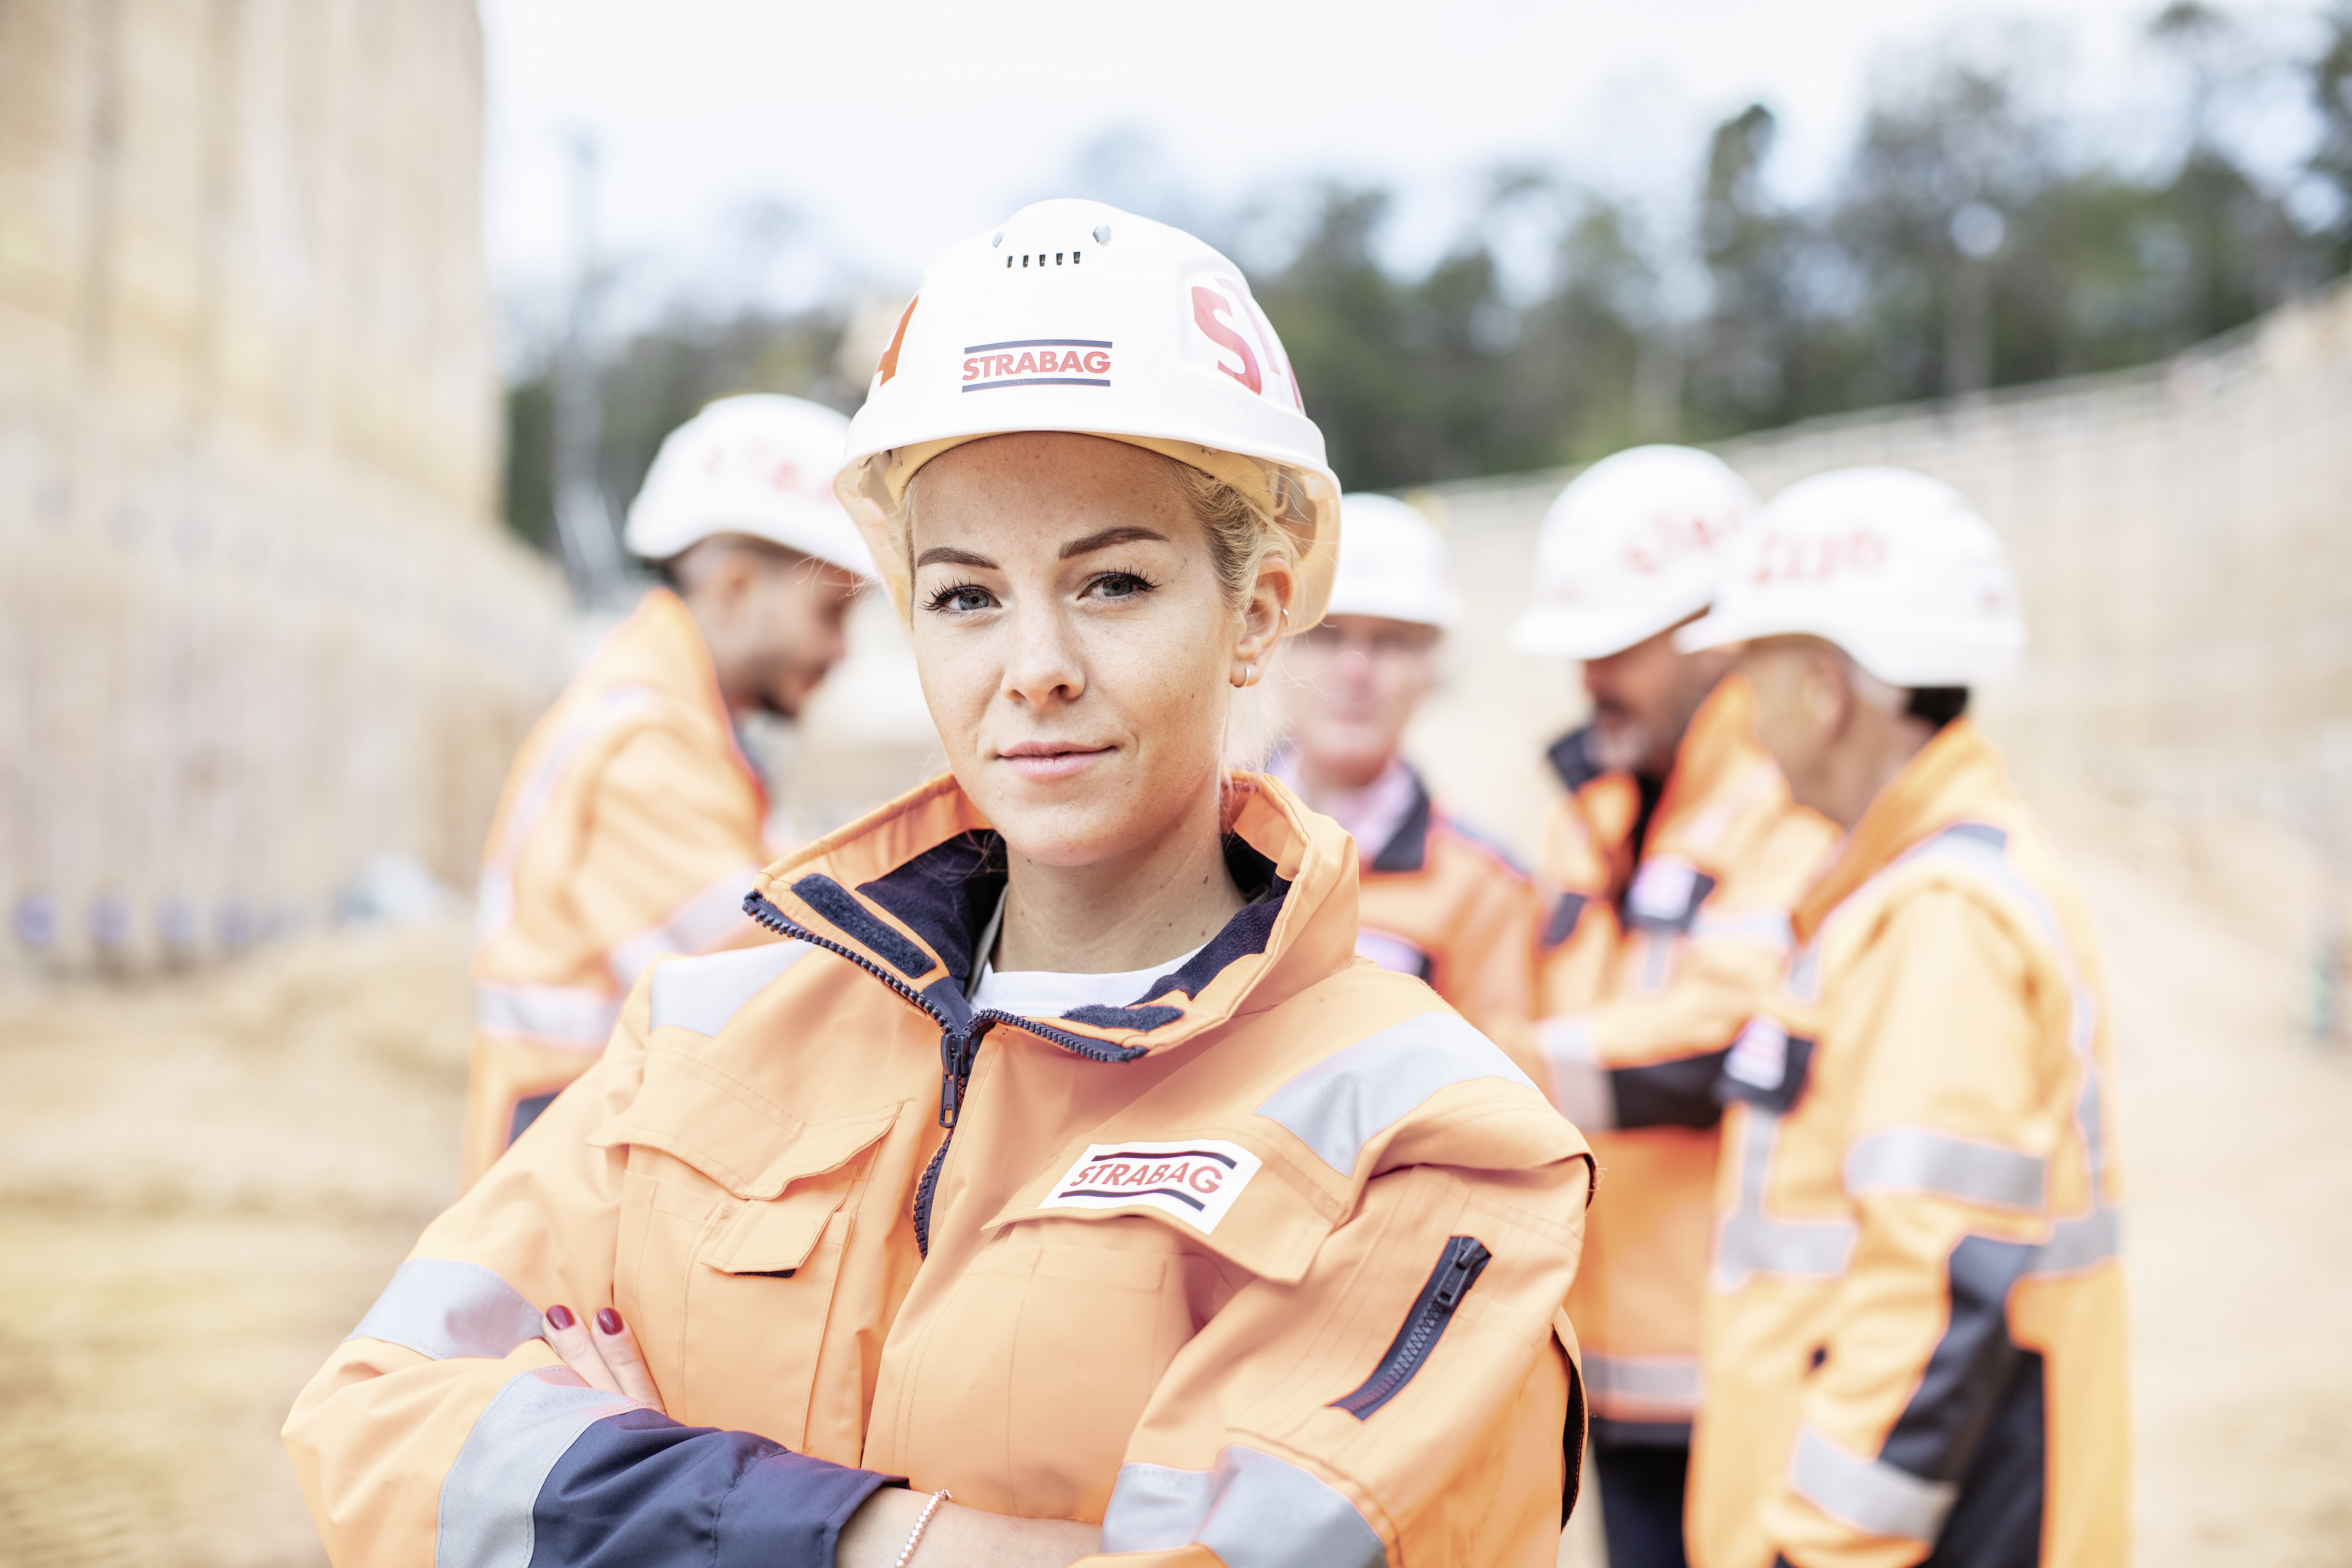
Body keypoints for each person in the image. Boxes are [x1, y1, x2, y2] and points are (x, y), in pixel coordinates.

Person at [288, 201, 1596, 1568]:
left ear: (1258, 611)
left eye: (1113, 584)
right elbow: (375, 1437)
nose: (1031, 664)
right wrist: (923, 1536)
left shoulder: (1427, 1140)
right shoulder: (701, 1028)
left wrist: (665, 1490)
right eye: (966, 595)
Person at [1676, 468, 2129, 1568]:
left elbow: (1933, 1286)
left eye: (1752, 675)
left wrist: (1819, 1547)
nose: (1743, 715)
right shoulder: (1917, 887)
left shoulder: (1939, 918)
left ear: (1826, 690)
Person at [1510, 446, 1839, 1568]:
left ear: (1712, 634)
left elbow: (1722, 1041)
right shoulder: (1589, 810)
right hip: (1608, 1362)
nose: (1592, 675)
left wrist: (1495, 1067)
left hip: (1745, 1361)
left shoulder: (1788, 809)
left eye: (1620, 644)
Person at [460, 393, 877, 1186]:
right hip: (575, 1180)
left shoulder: (682, 726)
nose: (841, 649)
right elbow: (766, 974)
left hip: (592, 1149)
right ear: (737, 588)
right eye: (831, 611)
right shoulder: (643, 748)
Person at [1269, 492, 1542, 1054]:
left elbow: (1489, 1107)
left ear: (1430, 668)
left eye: (1390, 643)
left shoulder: (1486, 888)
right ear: (1276, 644)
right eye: (1329, 634)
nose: (1356, 671)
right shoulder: (1196, 839)